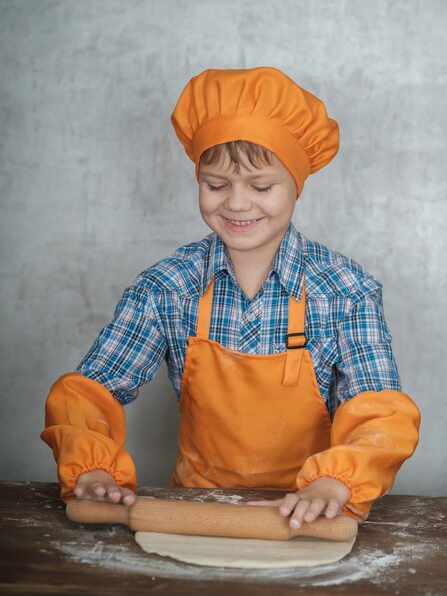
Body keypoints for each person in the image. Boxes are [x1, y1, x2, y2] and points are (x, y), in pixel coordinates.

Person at [41, 66, 421, 530]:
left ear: (296, 185)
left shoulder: (346, 291)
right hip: (198, 512)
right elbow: (90, 391)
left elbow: (380, 413)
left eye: (261, 187)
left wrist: (336, 483)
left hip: (309, 513)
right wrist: (92, 467)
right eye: (216, 185)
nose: (237, 204)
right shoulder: (167, 287)